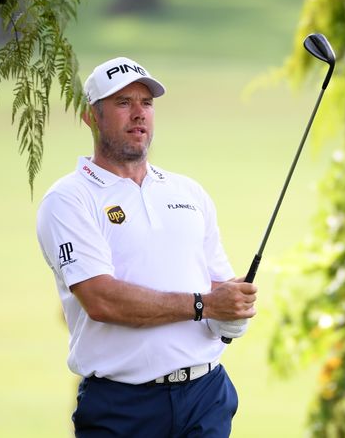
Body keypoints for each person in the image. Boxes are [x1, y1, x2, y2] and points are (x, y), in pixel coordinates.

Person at [35, 55, 258, 437]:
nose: (139, 113)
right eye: (123, 103)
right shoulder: (69, 199)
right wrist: (203, 305)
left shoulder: (188, 192)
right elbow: (101, 300)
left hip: (206, 396)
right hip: (124, 407)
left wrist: (234, 308)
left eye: (146, 103)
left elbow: (219, 289)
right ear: (92, 117)